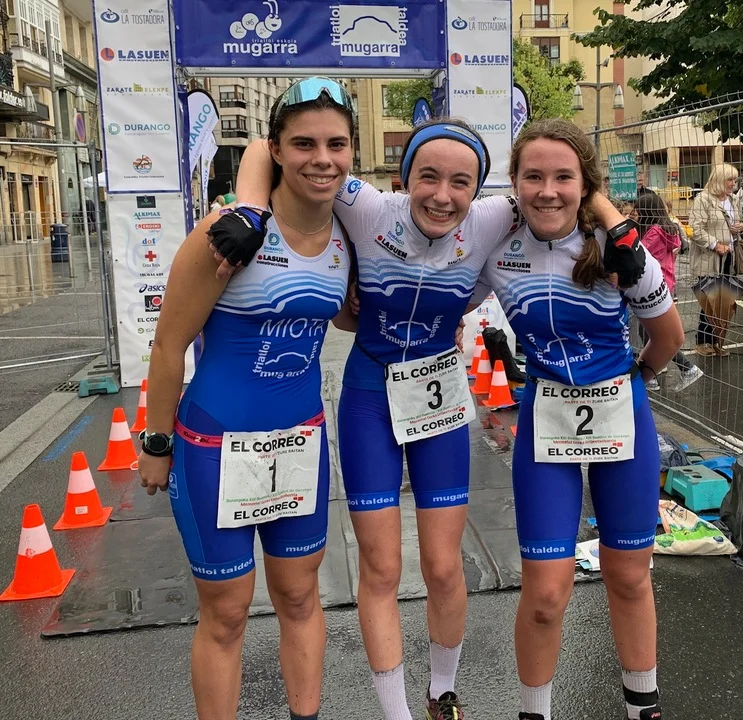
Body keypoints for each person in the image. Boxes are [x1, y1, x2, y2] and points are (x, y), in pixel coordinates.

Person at [209, 113, 646, 720]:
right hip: (369, 397)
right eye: (428, 177)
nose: (443, 195)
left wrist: (614, 220)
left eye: (460, 182)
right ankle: (397, 714)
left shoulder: (495, 216)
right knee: (382, 568)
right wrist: (252, 210)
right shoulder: (367, 207)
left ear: (481, 189)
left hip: (436, 400)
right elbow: (269, 146)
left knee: (443, 568)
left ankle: (443, 696)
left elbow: (564, 185)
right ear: (403, 177)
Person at [136, 78, 358, 720]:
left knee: (301, 598)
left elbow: (350, 315)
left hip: (300, 444)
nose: (323, 158)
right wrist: (156, 443)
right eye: (304, 144)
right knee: (228, 612)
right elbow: (168, 346)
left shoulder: (346, 232)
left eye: (336, 144)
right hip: (214, 446)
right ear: (277, 150)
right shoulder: (228, 233)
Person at [472, 119, 683, 720]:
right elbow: (442, 292)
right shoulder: (498, 248)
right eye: (533, 177)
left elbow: (668, 336)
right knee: (544, 594)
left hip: (622, 416)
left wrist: (635, 380)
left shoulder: (617, 250)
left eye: (563, 177)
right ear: (514, 183)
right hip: (546, 423)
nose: (547, 191)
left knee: (629, 576)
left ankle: (642, 708)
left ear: (584, 185)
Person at [634, 193, 704, 391]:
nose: (635, 215)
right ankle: (656, 375)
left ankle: (684, 368)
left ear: (647, 212)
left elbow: (638, 252)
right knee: (651, 331)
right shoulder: (668, 229)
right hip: (666, 282)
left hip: (654, 285)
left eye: (638, 211)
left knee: (653, 333)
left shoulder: (654, 232)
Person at [688, 163, 743, 356]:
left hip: (729, 257)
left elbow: (740, 223)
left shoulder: (732, 199)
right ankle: (702, 341)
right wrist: (715, 244)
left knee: (725, 301)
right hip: (709, 259)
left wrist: (740, 228)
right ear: (719, 180)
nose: (733, 183)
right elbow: (694, 230)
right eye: (730, 179)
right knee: (710, 300)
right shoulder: (703, 199)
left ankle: (717, 341)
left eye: (735, 180)